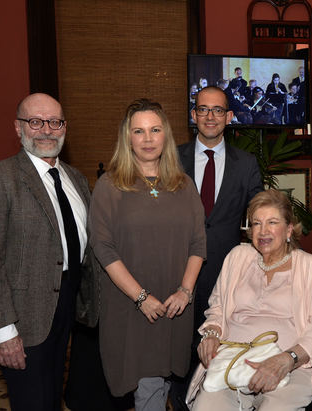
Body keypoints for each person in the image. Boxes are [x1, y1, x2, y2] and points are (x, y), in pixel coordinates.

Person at [0, 93, 98, 410]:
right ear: (18, 127)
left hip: (68, 304)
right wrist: (2, 333)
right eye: (35, 122)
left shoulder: (76, 178)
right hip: (24, 317)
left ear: (64, 127)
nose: (46, 130)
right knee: (32, 402)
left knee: (52, 395)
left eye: (54, 122)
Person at [89, 98, 206, 410]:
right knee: (148, 387)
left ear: (165, 135)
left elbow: (198, 243)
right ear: (127, 138)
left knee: (162, 381)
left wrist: (185, 291)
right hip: (131, 309)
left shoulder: (184, 186)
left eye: (155, 130)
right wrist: (141, 297)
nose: (148, 138)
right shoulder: (110, 186)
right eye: (139, 131)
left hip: (174, 306)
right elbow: (103, 249)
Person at [187, 189, 312, 410]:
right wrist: (210, 334)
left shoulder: (309, 265)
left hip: (289, 368)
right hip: (232, 363)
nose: (263, 231)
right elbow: (216, 309)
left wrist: (288, 358)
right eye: (256, 223)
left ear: (289, 229)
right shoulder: (237, 257)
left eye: (272, 222)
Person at [171, 86, 262, 410]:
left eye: (218, 110)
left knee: (218, 347)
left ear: (229, 116)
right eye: (203, 109)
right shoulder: (171, 158)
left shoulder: (246, 163)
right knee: (179, 348)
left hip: (228, 273)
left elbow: (258, 216)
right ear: (193, 115)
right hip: (178, 272)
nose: (210, 116)